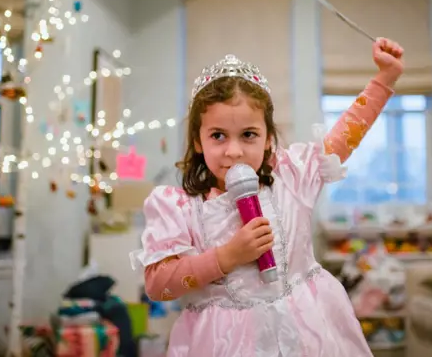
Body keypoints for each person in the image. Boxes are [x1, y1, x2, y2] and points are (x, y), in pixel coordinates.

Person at [130, 38, 404, 356]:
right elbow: (158, 284)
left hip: (308, 335)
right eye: (218, 135)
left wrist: (384, 79)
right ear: (199, 142)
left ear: (268, 139)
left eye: (248, 135)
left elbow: (346, 135)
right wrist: (226, 256)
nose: (234, 151)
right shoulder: (180, 208)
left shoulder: (292, 177)